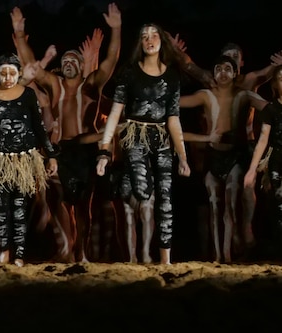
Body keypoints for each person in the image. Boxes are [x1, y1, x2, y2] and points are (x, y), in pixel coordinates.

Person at [11, 4, 122, 262]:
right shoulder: (54, 84)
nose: (69, 63)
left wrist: (116, 29)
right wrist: (19, 34)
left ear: (82, 66)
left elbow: (111, 59)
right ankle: (65, 243)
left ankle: (80, 251)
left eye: (74, 60)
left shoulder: (91, 84)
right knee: (54, 194)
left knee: (83, 205)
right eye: (66, 60)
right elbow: (31, 66)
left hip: (85, 151)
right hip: (60, 149)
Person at [95, 23, 191, 265]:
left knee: (166, 198)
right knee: (142, 190)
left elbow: (173, 119)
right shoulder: (129, 73)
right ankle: (139, 252)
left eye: (154, 35)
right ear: (139, 43)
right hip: (135, 135)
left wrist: (183, 156)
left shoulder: (172, 76)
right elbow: (115, 114)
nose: (149, 40)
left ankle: (164, 259)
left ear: (162, 41)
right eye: (144, 36)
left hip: (162, 139)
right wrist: (105, 151)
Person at [0, 53, 59, 267]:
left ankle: (18, 253)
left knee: (19, 208)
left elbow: (39, 127)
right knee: (0, 208)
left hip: (24, 160)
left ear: (18, 74)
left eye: (12, 73)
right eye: (3, 73)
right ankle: (4, 250)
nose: (8, 77)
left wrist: (51, 156)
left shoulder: (28, 95)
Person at [179, 55, 267, 262]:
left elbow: (271, 108)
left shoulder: (244, 95)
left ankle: (231, 246)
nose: (223, 73)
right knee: (215, 205)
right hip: (213, 155)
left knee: (231, 203)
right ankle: (220, 256)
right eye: (218, 69)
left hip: (235, 156)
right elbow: (176, 102)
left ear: (236, 73)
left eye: (228, 69)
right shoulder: (206, 95)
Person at [244, 65, 282, 258]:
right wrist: (252, 170)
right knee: (278, 203)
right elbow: (262, 140)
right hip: (277, 160)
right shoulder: (271, 109)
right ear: (275, 84)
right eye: (281, 78)